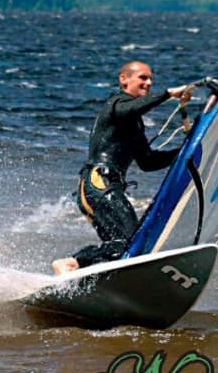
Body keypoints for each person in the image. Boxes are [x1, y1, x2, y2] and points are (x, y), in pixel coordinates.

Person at [53, 61, 193, 275]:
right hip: (98, 183)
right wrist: (168, 94)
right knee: (131, 241)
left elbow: (148, 162)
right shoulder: (117, 104)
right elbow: (131, 108)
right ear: (124, 79)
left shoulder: (134, 122)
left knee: (122, 248)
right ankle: (71, 262)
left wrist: (185, 150)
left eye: (151, 79)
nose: (148, 83)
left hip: (106, 186)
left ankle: (90, 277)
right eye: (143, 78)